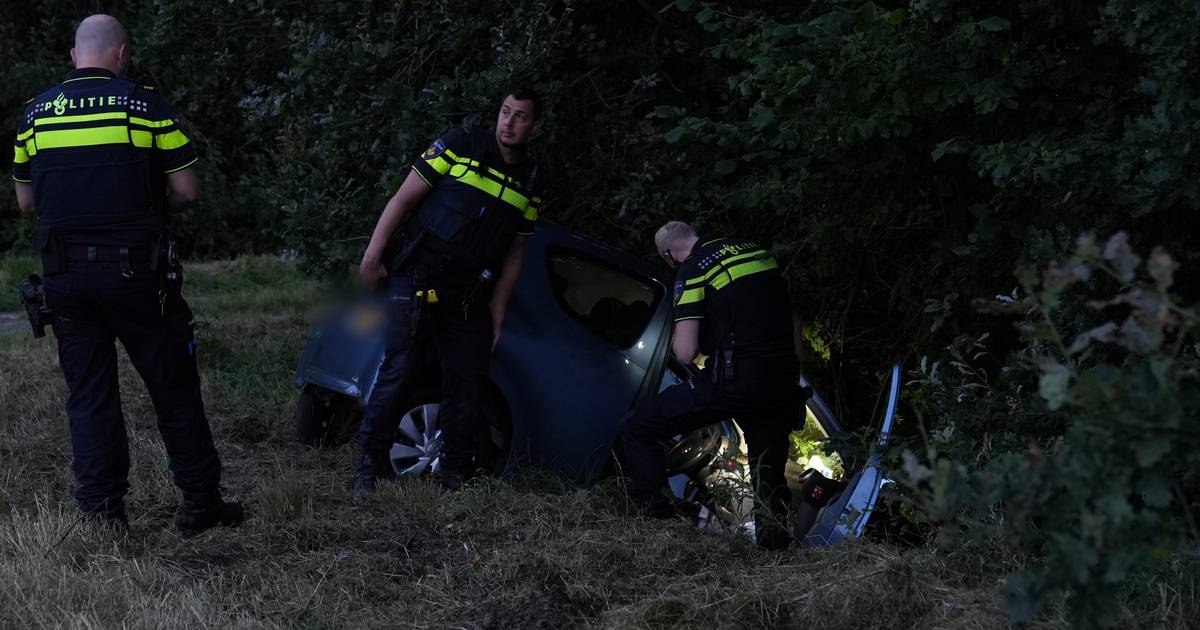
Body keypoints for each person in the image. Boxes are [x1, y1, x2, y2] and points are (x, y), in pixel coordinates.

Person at [11, 15, 242, 532]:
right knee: (173, 387)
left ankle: (103, 513)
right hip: (138, 275)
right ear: (121, 54)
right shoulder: (142, 103)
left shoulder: (35, 115)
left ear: (74, 57)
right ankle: (201, 504)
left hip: (65, 278)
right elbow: (186, 190)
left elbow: (26, 202)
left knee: (89, 395)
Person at [351, 89, 543, 495]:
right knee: (400, 367)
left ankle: (455, 474)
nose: (509, 122)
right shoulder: (459, 144)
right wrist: (373, 256)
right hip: (419, 275)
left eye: (520, 116)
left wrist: (498, 312)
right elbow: (402, 199)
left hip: (469, 293)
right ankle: (368, 466)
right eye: (505, 112)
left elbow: (515, 256)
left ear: (534, 126)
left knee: (467, 381)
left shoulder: (530, 180)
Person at [615, 221, 798, 550]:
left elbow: (686, 352)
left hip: (733, 382)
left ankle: (658, 521)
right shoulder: (754, 251)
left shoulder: (693, 269)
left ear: (670, 256)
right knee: (767, 470)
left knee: (638, 427)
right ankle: (776, 552)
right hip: (781, 379)